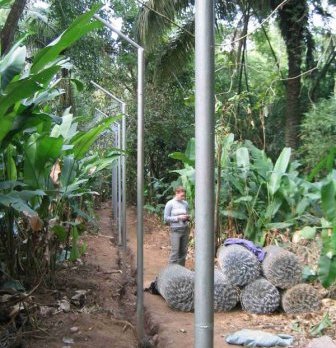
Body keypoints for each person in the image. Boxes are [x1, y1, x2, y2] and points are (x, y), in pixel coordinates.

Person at [163, 186, 190, 266]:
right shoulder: (170, 204)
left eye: (184, 195)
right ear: (176, 193)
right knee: (175, 252)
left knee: (183, 252)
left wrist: (187, 217)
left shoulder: (185, 203)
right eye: (182, 195)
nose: (183, 197)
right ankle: (171, 272)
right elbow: (166, 218)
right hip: (175, 230)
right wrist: (178, 218)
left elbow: (186, 214)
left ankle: (181, 271)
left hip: (185, 229)